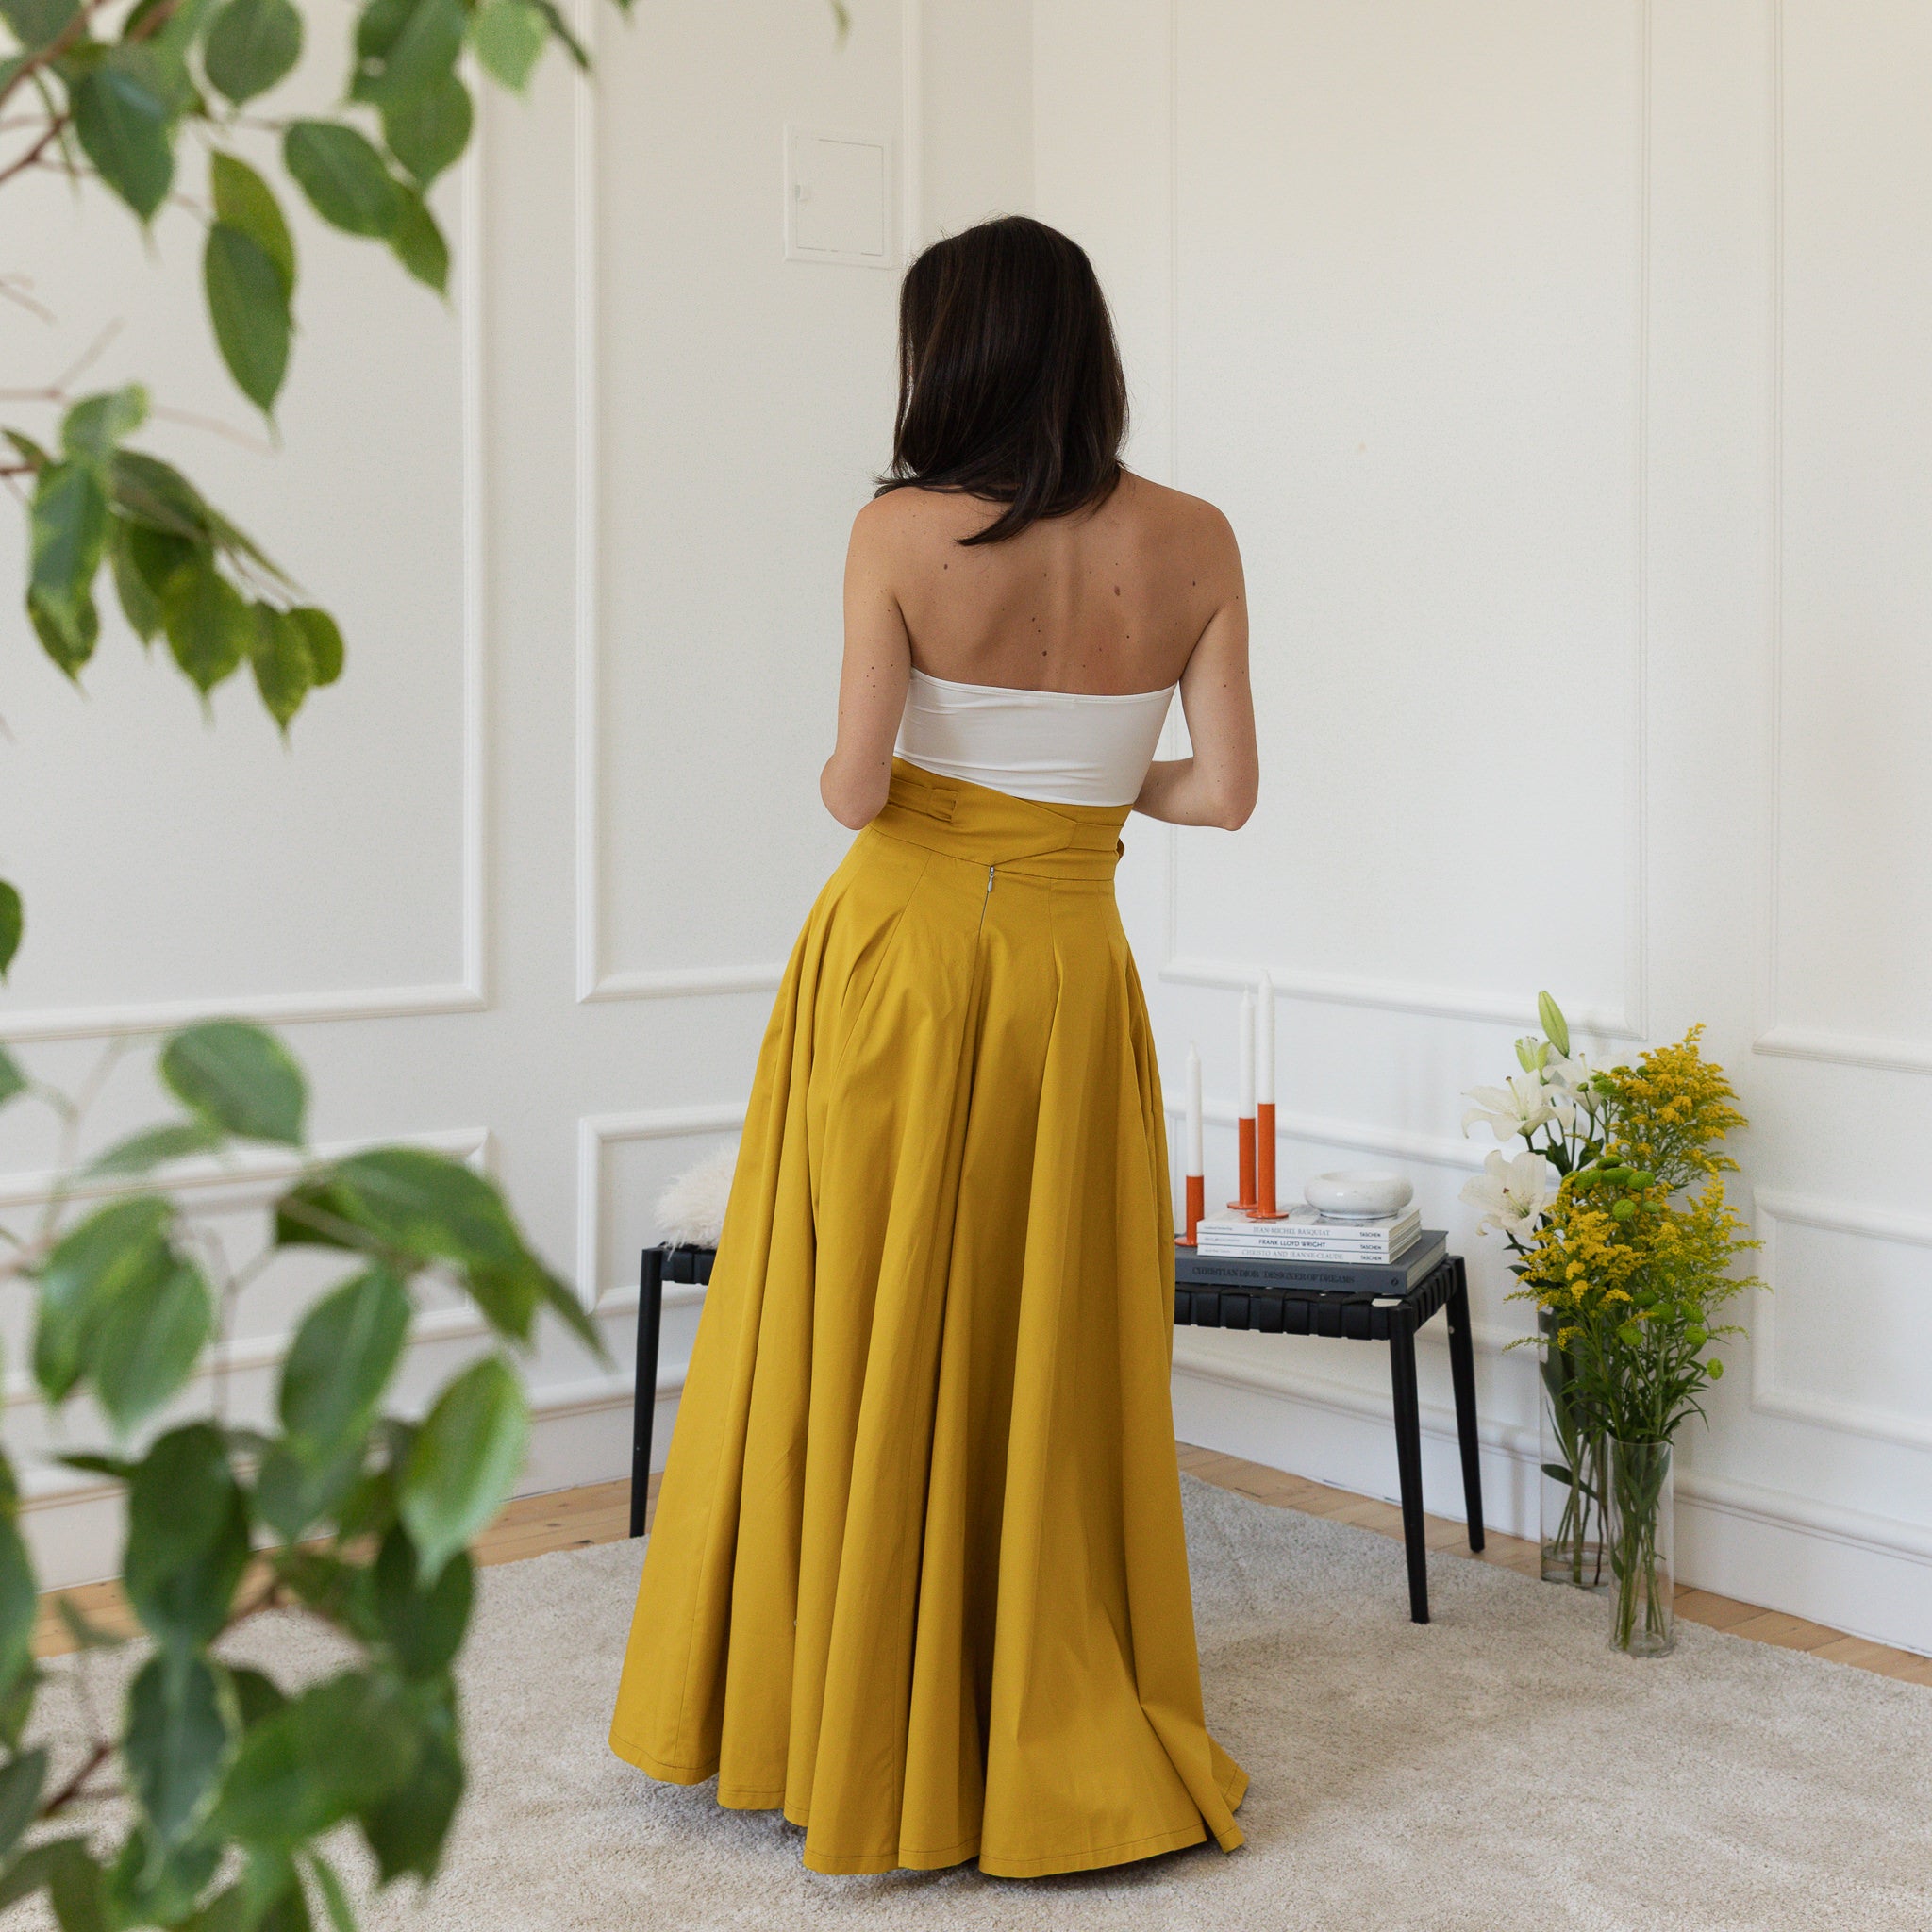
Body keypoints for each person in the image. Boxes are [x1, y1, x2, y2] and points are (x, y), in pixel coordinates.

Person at [609, 214, 1259, 1879]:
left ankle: (848, 1709)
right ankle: (1036, 1705)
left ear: (946, 353)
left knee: (866, 1310)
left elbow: (850, 782)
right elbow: (1220, 792)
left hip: (897, 958)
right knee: (1040, 1323)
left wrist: (949, 779)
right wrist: (1076, 789)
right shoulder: (1193, 541)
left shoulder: (898, 530)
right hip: (1065, 963)